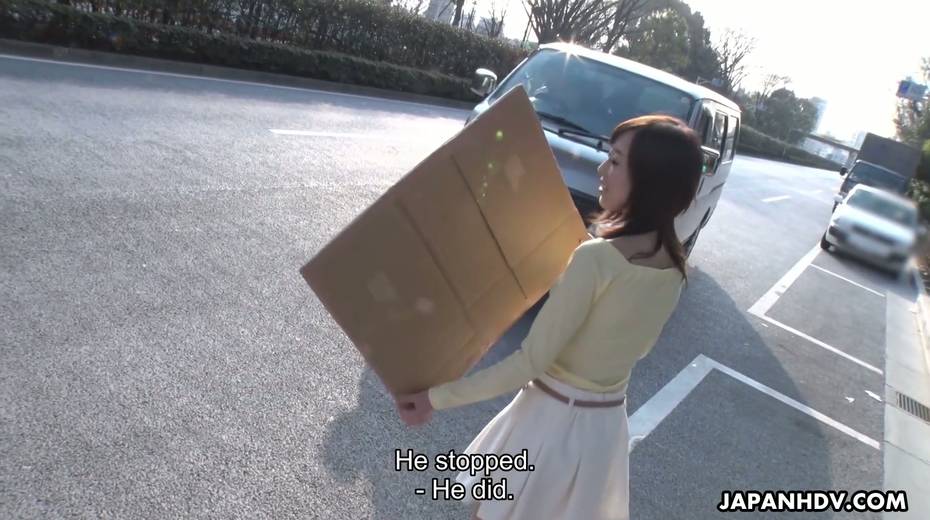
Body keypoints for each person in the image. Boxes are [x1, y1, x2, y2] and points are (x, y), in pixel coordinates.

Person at [394, 114, 704, 520]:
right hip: (603, 432)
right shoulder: (674, 270)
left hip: (547, 424)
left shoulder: (596, 259)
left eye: (614, 161)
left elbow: (529, 363)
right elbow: (638, 346)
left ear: (649, 181)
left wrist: (434, 398)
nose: (601, 170)